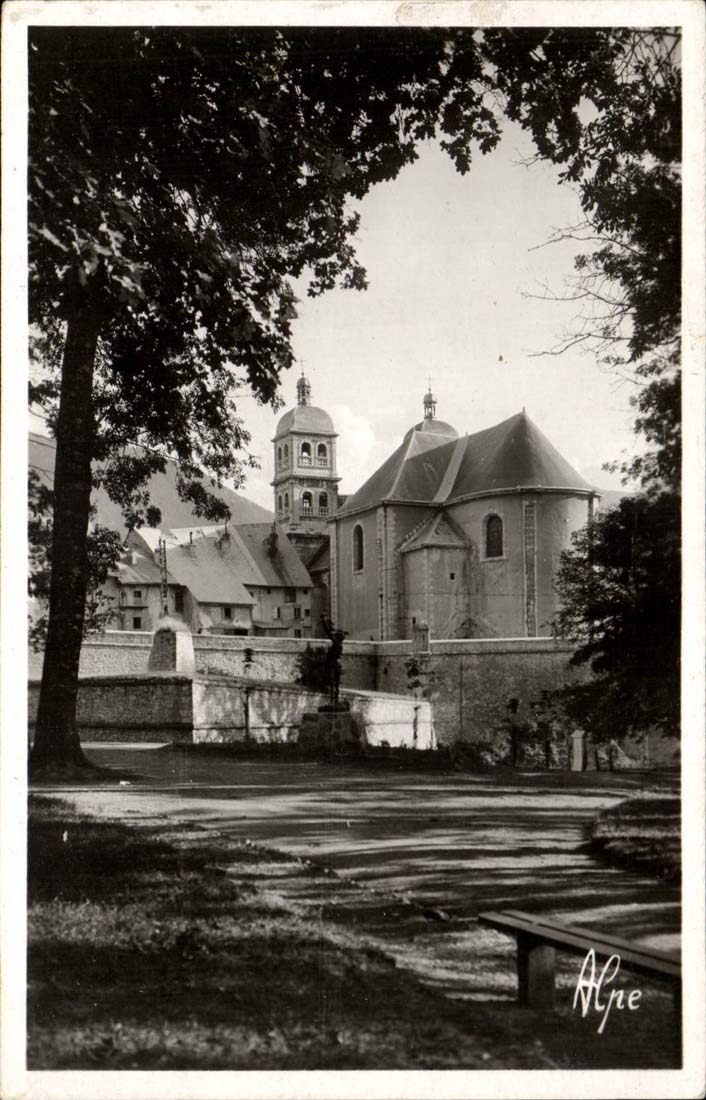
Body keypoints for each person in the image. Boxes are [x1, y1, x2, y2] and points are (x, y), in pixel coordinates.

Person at [320, 615, 347, 704]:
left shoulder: (337, 643)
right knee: (335, 683)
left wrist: (325, 622)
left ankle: (334, 700)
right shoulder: (339, 644)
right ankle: (334, 700)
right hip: (334, 664)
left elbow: (329, 631)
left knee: (334, 683)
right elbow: (329, 631)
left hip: (332, 665)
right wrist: (326, 622)